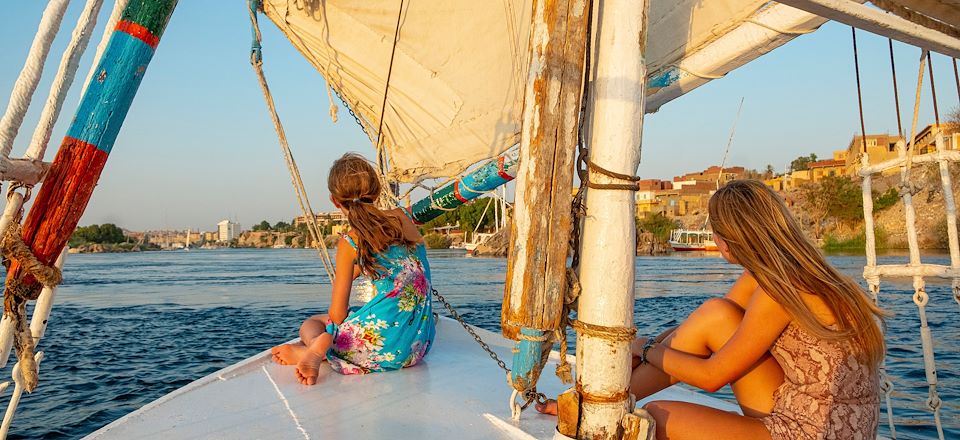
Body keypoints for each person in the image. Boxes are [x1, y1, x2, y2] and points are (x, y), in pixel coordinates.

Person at [539, 180, 884, 439]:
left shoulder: (782, 290)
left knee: (658, 417)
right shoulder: (790, 273)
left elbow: (712, 376)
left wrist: (642, 347)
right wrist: (644, 353)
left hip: (812, 432)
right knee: (716, 313)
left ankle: (599, 402)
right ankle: (596, 400)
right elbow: (703, 328)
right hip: (827, 420)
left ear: (731, 237)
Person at [271, 153, 435, 385]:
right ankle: (321, 349)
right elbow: (400, 265)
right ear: (377, 191)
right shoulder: (402, 218)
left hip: (378, 351)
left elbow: (337, 314)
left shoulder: (350, 242)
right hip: (416, 348)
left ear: (335, 201)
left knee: (313, 324)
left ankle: (314, 351)